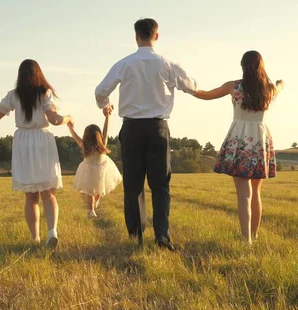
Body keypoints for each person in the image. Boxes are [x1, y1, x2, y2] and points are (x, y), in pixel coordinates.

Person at [95, 18, 198, 250]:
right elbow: (191, 86)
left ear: (136, 37)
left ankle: (136, 236)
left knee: (133, 185)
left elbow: (101, 90)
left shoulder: (124, 63)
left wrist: (105, 103)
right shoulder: (168, 64)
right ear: (157, 36)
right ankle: (162, 236)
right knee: (160, 184)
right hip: (158, 128)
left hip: (131, 128)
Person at [192, 50, 284, 243]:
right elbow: (279, 86)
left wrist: (189, 88)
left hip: (240, 140)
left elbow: (206, 95)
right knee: (256, 192)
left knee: (244, 194)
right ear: (262, 66)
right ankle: (254, 235)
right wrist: (281, 83)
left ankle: (246, 239)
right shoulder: (269, 89)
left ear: (242, 66)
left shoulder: (233, 87)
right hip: (260, 140)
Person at [0, 59, 73, 248]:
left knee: (31, 196)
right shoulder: (44, 93)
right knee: (48, 193)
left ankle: (35, 238)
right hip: (42, 141)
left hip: (23, 143)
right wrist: (68, 118)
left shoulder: (13, 95)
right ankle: (52, 231)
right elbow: (54, 120)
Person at [67, 107, 122, 219]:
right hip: (95, 171)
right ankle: (91, 210)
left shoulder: (88, 145)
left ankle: (92, 207)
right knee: (93, 191)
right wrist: (107, 116)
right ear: (99, 135)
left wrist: (70, 127)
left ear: (86, 136)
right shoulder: (94, 145)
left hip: (97, 170)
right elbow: (106, 130)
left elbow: (75, 136)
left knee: (94, 191)